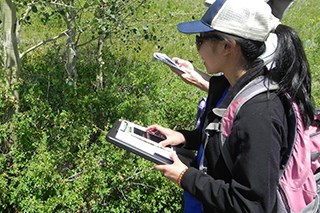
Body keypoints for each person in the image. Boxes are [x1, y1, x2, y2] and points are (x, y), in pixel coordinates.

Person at [148, 0, 315, 212]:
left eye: (201, 39)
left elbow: (250, 205)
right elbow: (230, 144)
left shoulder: (260, 113)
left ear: (228, 46)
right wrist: (186, 138)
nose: (197, 46)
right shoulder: (231, 89)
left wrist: (185, 176)